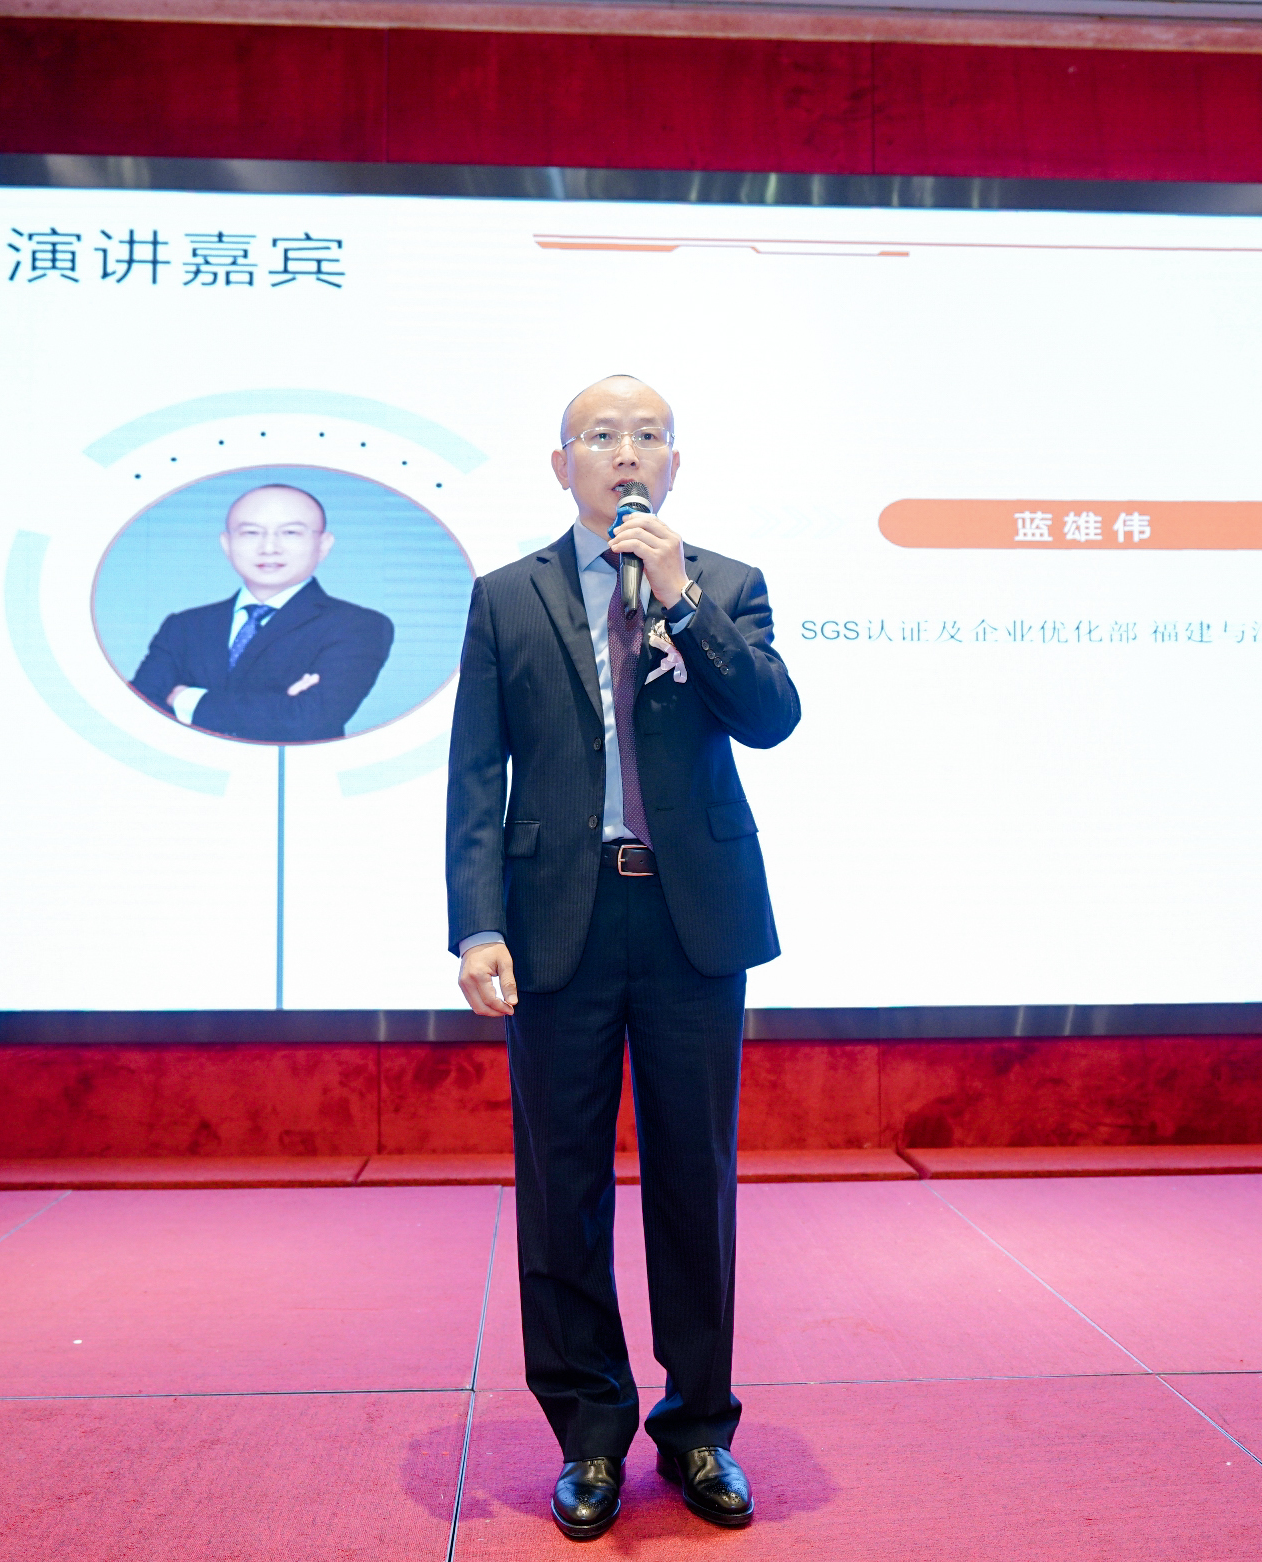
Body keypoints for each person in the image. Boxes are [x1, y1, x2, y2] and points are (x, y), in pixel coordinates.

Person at [446, 376, 800, 1540]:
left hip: (691, 917)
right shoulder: (506, 596)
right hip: (559, 916)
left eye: (646, 434)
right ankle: (589, 1433)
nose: (625, 451)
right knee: (561, 1185)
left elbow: (770, 717)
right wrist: (476, 922)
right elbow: (476, 772)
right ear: (562, 466)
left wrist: (681, 597)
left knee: (694, 1179)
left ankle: (697, 1426)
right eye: (600, 435)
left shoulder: (724, 584)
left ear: (673, 463)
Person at [128, 483, 394, 743]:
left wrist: (186, 699)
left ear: (323, 545)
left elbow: (306, 721)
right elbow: (136, 712)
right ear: (227, 544)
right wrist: (278, 706)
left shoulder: (358, 626)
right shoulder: (184, 626)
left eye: (290, 533)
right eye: (251, 533)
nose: (269, 548)